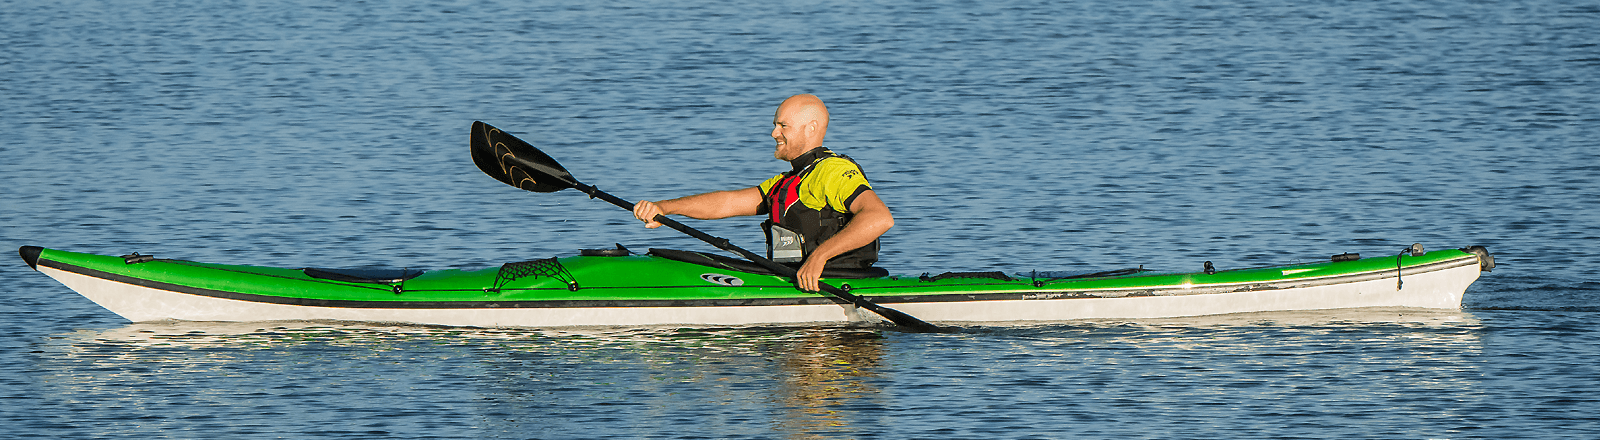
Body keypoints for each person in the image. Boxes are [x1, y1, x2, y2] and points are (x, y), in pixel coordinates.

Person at [632, 94, 893, 292]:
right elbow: (726, 203)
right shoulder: (788, 181)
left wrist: (819, 257)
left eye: (783, 126)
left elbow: (879, 217)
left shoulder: (832, 171)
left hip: (834, 282)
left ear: (811, 128)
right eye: (775, 125)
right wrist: (665, 208)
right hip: (790, 279)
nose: (774, 133)